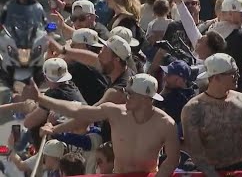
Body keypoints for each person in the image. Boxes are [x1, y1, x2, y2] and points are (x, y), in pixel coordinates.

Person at [23, 73, 180, 176]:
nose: (126, 96)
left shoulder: (165, 124)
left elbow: (172, 159)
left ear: (145, 98)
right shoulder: (115, 112)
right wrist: (41, 99)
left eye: (130, 94)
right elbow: (78, 111)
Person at [181, 53, 242, 176]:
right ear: (216, 77)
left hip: (240, 168)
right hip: (208, 171)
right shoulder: (193, 109)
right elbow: (196, 151)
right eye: (232, 73)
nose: (237, 76)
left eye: (237, 71)